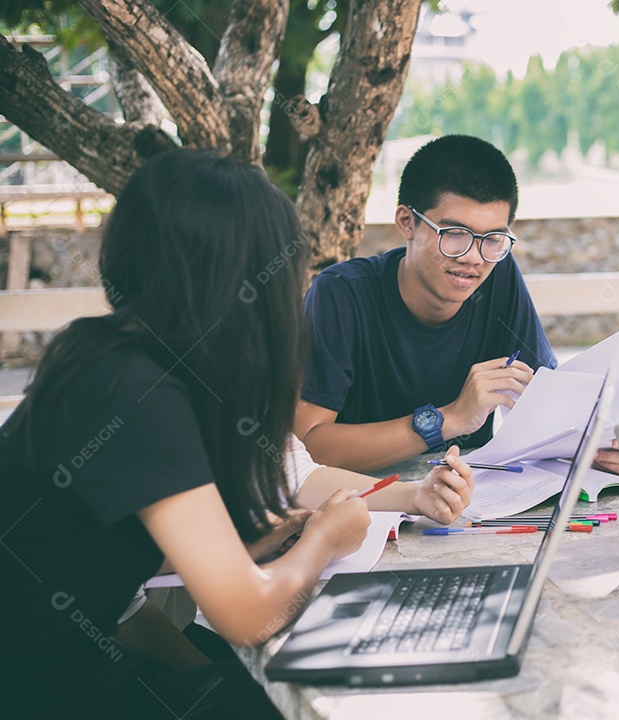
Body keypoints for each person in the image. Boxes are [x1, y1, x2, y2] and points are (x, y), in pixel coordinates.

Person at [0, 150, 474, 719]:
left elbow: (113, 587)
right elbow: (245, 614)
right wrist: (325, 539)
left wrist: (252, 557)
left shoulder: (106, 354)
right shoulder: (136, 394)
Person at [295, 134, 619, 474]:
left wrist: (598, 449)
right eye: (454, 234)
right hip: (366, 509)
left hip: (468, 502)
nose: (473, 258)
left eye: (493, 239)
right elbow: (306, 448)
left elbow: (545, 404)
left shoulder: (498, 274)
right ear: (407, 222)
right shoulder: (341, 293)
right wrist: (448, 419)